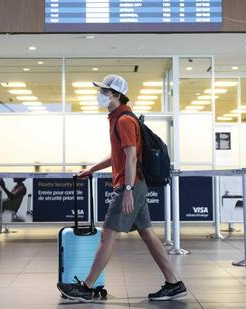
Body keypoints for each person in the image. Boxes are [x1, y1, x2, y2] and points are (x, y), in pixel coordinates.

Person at [57, 75, 186, 302]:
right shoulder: (118, 118)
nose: (100, 94)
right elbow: (118, 155)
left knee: (107, 236)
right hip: (134, 184)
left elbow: (132, 158)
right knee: (147, 234)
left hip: (130, 186)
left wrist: (126, 189)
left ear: (116, 94)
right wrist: (93, 169)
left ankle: (86, 288)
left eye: (104, 91)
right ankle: (174, 283)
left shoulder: (125, 121)